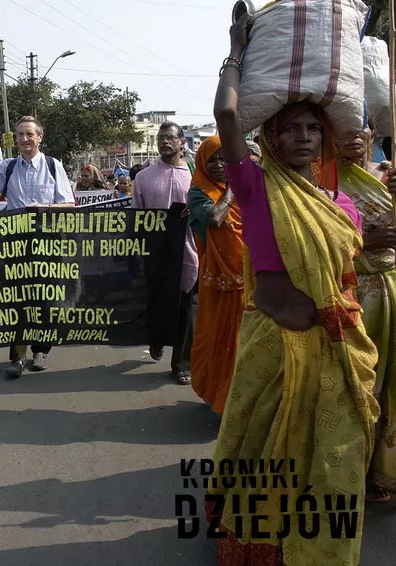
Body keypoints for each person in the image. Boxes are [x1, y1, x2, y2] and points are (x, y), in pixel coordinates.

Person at [207, 15, 377, 564]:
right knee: (265, 461)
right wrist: (236, 52)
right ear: (271, 138)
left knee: (328, 460)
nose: (303, 138)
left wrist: (345, 322)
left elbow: (346, 278)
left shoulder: (341, 206)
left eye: (312, 130)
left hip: (333, 350)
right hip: (273, 348)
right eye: (291, 129)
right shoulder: (253, 187)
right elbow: (227, 113)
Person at [0, 115, 75, 379]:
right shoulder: (8, 167)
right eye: (20, 135)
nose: (25, 139)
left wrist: (44, 209)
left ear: (40, 137)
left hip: (48, 244)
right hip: (15, 245)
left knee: (46, 299)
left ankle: (41, 350)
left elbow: (69, 204)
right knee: (18, 301)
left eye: (30, 134)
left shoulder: (53, 165)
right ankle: (17, 357)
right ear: (14, 139)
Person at [336, 126, 396, 503]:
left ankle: (385, 472)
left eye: (362, 126)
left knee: (391, 385)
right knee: (358, 385)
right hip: (353, 293)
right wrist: (364, 242)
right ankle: (348, 472)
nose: (355, 135)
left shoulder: (387, 174)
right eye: (344, 127)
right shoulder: (318, 181)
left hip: (392, 289)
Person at [132, 121, 198, 385]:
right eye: (161, 138)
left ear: (182, 142)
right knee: (157, 306)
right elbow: (136, 219)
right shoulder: (143, 178)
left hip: (188, 254)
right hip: (155, 256)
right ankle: (157, 340)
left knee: (187, 310)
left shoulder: (196, 177)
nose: (164, 142)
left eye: (170, 137)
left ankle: (182, 363)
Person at [186, 136, 243, 414]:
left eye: (225, 158)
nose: (220, 165)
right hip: (218, 280)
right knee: (219, 341)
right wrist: (232, 188)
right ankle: (219, 397)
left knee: (244, 343)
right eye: (213, 159)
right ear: (202, 162)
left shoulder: (251, 189)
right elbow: (216, 218)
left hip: (250, 279)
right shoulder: (198, 192)